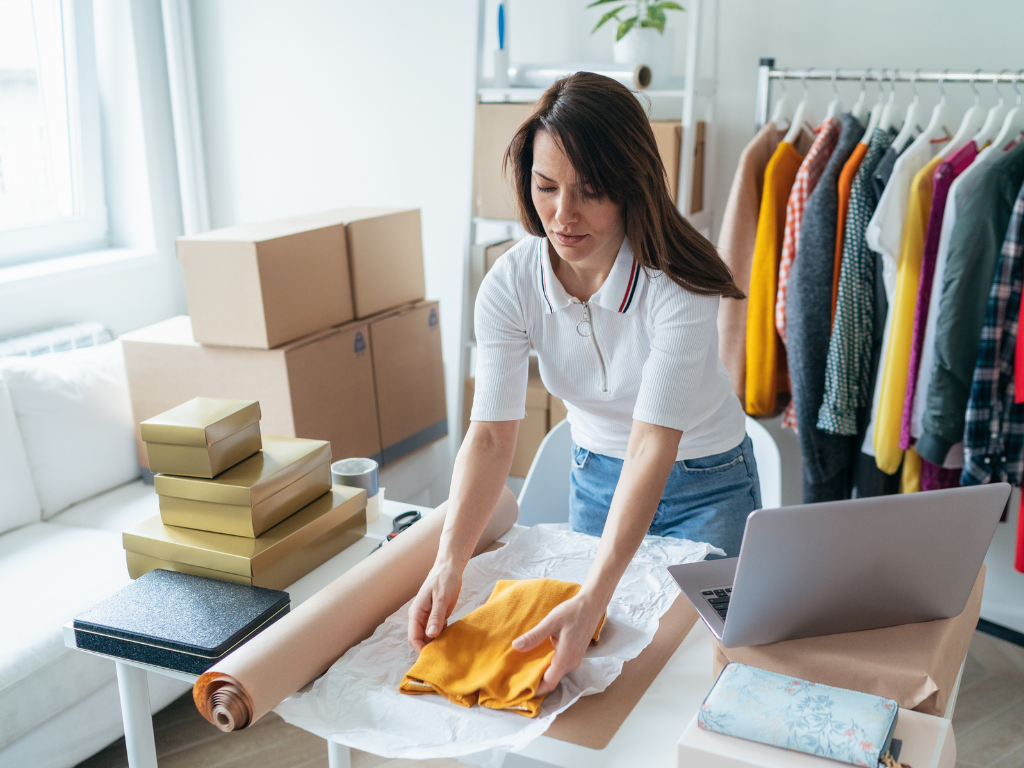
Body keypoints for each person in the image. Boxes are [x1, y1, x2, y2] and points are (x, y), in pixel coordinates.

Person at [408, 72, 759, 695]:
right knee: (596, 662)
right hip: (597, 477)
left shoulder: (674, 285)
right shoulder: (511, 284)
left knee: (698, 671)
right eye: (546, 187)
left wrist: (597, 592)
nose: (562, 216)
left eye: (589, 192)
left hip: (706, 480)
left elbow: (655, 441)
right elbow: (490, 437)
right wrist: (447, 561)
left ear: (630, 190)